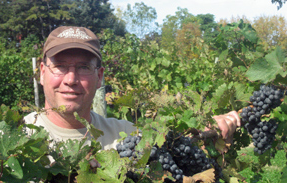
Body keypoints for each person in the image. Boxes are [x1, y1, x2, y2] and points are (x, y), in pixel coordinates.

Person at [24, 26, 241, 151]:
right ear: (42, 72)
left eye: (83, 67)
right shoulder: (9, 141)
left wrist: (209, 137)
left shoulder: (127, 135)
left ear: (99, 77)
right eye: (60, 67)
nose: (71, 79)